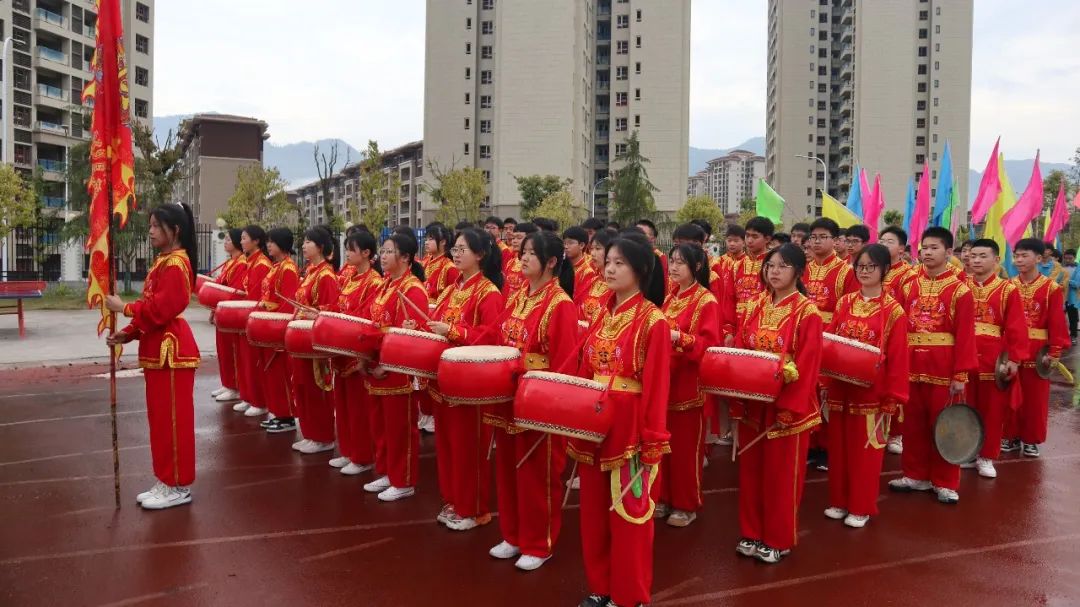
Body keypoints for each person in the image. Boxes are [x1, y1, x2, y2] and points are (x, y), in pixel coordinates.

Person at [571, 230, 670, 607]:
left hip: (629, 430)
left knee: (629, 515)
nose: (609, 269)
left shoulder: (653, 321)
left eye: (619, 263)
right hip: (594, 423)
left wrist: (652, 440)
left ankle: (629, 596)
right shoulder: (601, 313)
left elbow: (656, 387)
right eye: (608, 262)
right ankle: (600, 587)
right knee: (594, 514)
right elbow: (584, 367)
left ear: (640, 269)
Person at [487, 230, 577, 571]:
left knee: (537, 475)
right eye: (522, 252)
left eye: (530, 253)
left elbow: (565, 363)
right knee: (508, 469)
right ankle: (512, 535)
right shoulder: (519, 296)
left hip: (538, 400)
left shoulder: (560, 304)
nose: (522, 258)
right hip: (509, 395)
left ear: (551, 262)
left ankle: (539, 543)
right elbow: (496, 336)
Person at [732, 243, 823, 563]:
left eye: (782, 266)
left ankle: (778, 538)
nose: (774, 271)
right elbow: (741, 350)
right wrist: (739, 398)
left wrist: (790, 407)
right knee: (751, 474)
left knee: (782, 477)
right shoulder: (755, 305)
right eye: (770, 265)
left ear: (798, 272)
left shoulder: (807, 312)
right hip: (754, 404)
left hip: (787, 407)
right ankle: (751, 531)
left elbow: (808, 365)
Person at [105, 203, 200, 510]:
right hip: (158, 351)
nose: (150, 231)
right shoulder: (164, 262)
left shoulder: (176, 264)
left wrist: (124, 308)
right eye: (150, 225)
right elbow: (151, 309)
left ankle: (178, 484)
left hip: (172, 353)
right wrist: (128, 333)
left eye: (157, 226)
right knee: (160, 421)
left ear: (175, 230)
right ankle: (166, 479)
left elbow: (162, 309)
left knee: (173, 422)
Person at [422, 229, 505, 531]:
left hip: (470, 385)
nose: (456, 254)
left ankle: (474, 508)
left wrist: (453, 332)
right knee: (447, 446)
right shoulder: (450, 289)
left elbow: (491, 339)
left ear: (480, 255)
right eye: (455, 249)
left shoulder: (489, 293)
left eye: (462, 249)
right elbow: (436, 323)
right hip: (444, 379)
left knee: (469, 448)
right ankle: (453, 500)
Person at [889, 227, 976, 504]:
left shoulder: (961, 291)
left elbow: (965, 335)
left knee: (944, 425)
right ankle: (914, 474)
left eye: (934, 248)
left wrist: (960, 373)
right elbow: (897, 326)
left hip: (943, 366)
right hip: (912, 363)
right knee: (912, 423)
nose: (927, 252)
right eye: (924, 248)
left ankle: (945, 481)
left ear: (949, 252)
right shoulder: (909, 285)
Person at [823, 244, 908, 528]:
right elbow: (831, 340)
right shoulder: (844, 302)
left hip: (872, 390)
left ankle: (861, 506)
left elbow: (898, 357)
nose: (865, 271)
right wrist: (824, 380)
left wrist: (893, 396)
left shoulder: (894, 311)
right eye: (860, 266)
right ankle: (839, 500)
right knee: (838, 448)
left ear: (885, 270)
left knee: (866, 451)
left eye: (871, 266)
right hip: (841, 387)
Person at [656, 243, 720, 528]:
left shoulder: (706, 301)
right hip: (665, 382)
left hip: (688, 384)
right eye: (672, 261)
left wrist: (680, 339)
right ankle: (663, 496)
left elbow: (709, 346)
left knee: (685, 451)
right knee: (663, 446)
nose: (674, 267)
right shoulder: (670, 298)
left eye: (680, 262)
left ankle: (686, 503)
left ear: (697, 266)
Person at [362, 232, 430, 502]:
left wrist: (386, 364)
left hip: (397, 371)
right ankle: (388, 471)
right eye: (383, 250)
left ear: (406, 257)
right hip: (377, 364)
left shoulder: (413, 289)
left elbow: (409, 339)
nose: (383, 256)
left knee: (399, 428)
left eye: (389, 251)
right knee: (380, 425)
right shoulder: (386, 284)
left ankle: (404, 480)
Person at [963, 239, 1027, 479]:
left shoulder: (1007, 290)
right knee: (965, 405)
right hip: (965, 355)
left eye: (983, 256)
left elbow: (1016, 327)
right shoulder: (961, 286)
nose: (976, 260)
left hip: (994, 358)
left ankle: (987, 455)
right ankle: (966, 451)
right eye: (973, 256)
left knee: (992, 410)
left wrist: (1014, 359)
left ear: (996, 260)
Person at [1004, 238, 1070, 458]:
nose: (1019, 260)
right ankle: (1010, 435)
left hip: (1037, 350)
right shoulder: (1008, 286)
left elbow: (1057, 322)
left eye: (1024, 255)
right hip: (1012, 349)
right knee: (1009, 394)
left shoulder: (1051, 288)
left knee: (1035, 399)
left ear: (1039, 258)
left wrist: (1054, 352)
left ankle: (1031, 439)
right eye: (1016, 256)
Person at [329, 231, 384, 476]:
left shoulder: (374, 282)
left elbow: (366, 317)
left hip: (356, 350)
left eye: (352, 249)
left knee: (358, 407)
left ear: (366, 253)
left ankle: (362, 457)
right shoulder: (349, 277)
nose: (348, 253)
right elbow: (338, 305)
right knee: (342, 405)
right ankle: (348, 450)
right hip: (342, 347)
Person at [289, 226, 342, 455]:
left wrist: (317, 314)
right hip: (301, 339)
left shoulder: (326, 276)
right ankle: (310, 433)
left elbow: (331, 311)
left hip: (314, 342)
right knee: (302, 387)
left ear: (320, 247)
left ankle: (323, 436)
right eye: (303, 242)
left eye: (308, 242)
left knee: (316, 387)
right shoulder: (310, 272)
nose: (303, 246)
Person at [254, 228, 300, 433]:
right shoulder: (277, 266)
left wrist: (277, 329)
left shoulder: (288, 268)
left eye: (272, 242)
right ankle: (277, 412)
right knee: (271, 374)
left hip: (276, 328)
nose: (268, 245)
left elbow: (288, 303)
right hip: (268, 325)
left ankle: (286, 415)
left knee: (280, 375)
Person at [229, 226, 274, 412]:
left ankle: (258, 401)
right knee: (244, 360)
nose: (241, 242)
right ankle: (248, 396)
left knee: (253, 361)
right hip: (244, 316)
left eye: (244, 238)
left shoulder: (262, 264)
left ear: (256, 241)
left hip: (252, 317)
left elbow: (255, 296)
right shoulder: (250, 262)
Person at [209, 228, 249, 402]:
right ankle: (227, 383)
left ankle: (235, 386)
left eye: (228, 239)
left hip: (230, 312)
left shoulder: (241, 263)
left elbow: (235, 290)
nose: (225, 242)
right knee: (223, 350)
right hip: (221, 310)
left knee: (231, 351)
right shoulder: (229, 263)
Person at [725, 216, 773, 338]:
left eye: (755, 236)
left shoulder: (772, 266)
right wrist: (728, 330)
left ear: (767, 239)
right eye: (747, 236)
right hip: (737, 326)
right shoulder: (737, 265)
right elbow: (729, 300)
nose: (749, 240)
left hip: (762, 326)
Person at [578, 228, 615, 324]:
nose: (592, 253)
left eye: (598, 248)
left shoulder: (618, 288)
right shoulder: (592, 281)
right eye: (591, 248)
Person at [422, 224, 460, 301]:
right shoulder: (425, 262)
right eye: (426, 239)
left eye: (430, 239)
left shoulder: (450, 268)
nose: (426, 242)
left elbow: (453, 298)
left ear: (443, 242)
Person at [503, 222, 538, 297]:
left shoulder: (535, 263)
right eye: (513, 238)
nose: (514, 241)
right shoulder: (511, 262)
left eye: (519, 238)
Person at [563, 226, 597, 297]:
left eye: (570, 243)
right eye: (564, 243)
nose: (566, 246)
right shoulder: (561, 266)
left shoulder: (587, 272)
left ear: (581, 245)